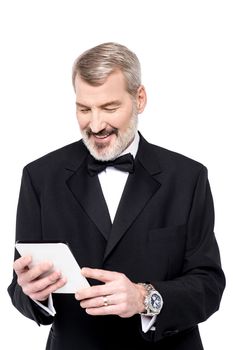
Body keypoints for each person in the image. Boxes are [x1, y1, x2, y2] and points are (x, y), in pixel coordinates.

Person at [8, 42, 225, 350]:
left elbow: (209, 285)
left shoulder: (188, 177)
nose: (96, 125)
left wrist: (144, 298)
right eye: (84, 109)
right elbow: (20, 290)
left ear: (139, 99)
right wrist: (34, 293)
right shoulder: (40, 177)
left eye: (109, 108)